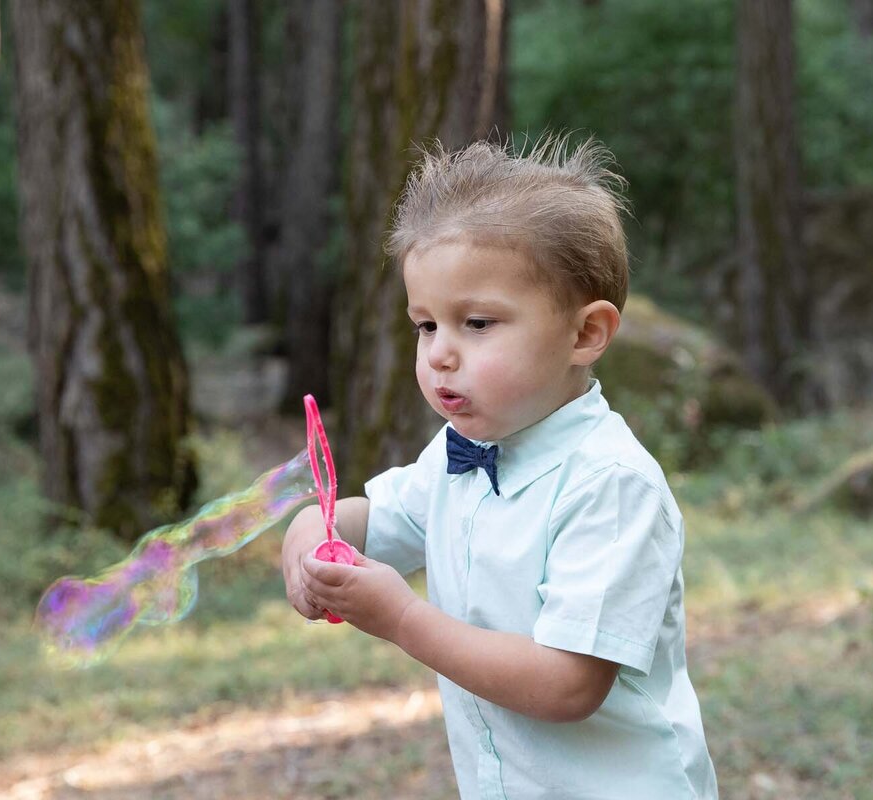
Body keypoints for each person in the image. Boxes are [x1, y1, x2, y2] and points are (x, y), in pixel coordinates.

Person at [281, 135, 718, 800]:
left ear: (585, 334)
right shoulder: (458, 453)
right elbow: (378, 519)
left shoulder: (609, 485)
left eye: (477, 323)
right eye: (425, 326)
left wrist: (404, 618)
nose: (440, 355)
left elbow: (568, 683)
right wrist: (311, 533)